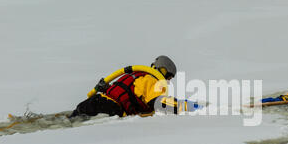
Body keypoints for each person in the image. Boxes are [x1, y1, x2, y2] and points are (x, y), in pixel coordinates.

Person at [70, 55, 198, 118]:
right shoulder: (152, 81)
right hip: (110, 109)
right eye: (169, 77)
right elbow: (159, 103)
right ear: (163, 71)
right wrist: (188, 106)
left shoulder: (136, 75)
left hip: (92, 101)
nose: (168, 82)